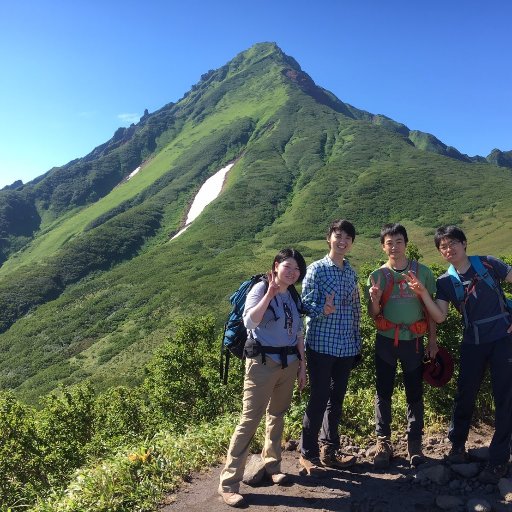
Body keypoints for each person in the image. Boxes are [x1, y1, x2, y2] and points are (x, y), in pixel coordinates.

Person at [407, 225, 512, 484]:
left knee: (505, 397)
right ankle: (457, 447)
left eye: (453, 242)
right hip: (473, 342)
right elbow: (440, 317)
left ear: (464, 243)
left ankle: (498, 459)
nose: (448, 249)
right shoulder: (445, 282)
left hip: (503, 338)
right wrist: (422, 294)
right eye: (443, 246)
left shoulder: (488, 263)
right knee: (465, 394)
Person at [218, 248, 307, 507]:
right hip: (262, 365)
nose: (292, 273)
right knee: (249, 420)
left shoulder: (291, 293)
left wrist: (302, 365)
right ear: (276, 266)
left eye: (296, 270)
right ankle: (229, 483)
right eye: (287, 267)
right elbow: (250, 321)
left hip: (288, 364)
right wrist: (268, 294)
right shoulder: (261, 288)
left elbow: (298, 331)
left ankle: (272, 465)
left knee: (277, 415)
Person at [365, 223, 438, 468]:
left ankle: (414, 443)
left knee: (414, 391)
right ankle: (383, 441)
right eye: (389, 242)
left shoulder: (423, 272)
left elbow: (430, 312)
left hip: (414, 341)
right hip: (386, 340)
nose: (394, 247)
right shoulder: (377, 275)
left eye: (398, 241)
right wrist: (374, 300)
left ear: (406, 243)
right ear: (383, 247)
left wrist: (433, 342)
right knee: (383, 390)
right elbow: (373, 313)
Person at [299, 219, 360, 476]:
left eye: (347, 237)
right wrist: (322, 310)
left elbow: (355, 309)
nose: (342, 240)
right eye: (338, 235)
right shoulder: (317, 270)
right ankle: (307, 453)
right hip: (322, 343)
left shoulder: (350, 272)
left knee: (336, 399)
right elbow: (304, 304)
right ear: (329, 238)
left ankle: (329, 449)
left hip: (345, 345)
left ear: (352, 242)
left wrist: (357, 343)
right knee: (319, 396)